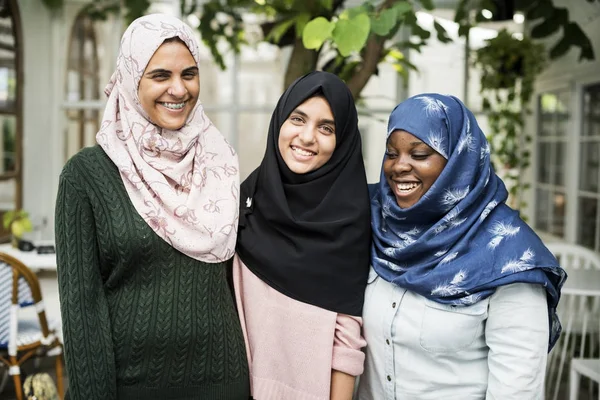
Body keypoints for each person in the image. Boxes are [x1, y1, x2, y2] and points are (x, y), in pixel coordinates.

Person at [55, 14, 249, 399]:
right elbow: (82, 313)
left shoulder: (219, 162)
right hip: (132, 388)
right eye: (160, 75)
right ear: (131, 81)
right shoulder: (86, 176)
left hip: (224, 382)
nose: (178, 90)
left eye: (189, 74)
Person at [357, 93, 566, 399]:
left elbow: (516, 388)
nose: (399, 166)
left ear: (459, 160)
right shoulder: (373, 219)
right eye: (391, 153)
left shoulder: (509, 255)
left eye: (419, 154)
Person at [233, 71, 371, 400]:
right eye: (298, 118)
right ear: (280, 120)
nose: (307, 137)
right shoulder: (243, 201)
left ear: (343, 140)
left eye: (326, 128)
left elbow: (346, 341)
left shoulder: (349, 221)